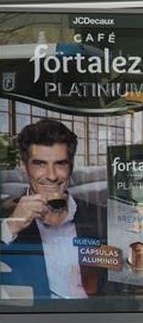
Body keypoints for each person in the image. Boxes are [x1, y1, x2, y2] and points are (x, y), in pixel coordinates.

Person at [0, 119, 106, 300]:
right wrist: (10, 227)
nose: (52, 176)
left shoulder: (100, 217)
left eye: (60, 163)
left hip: (94, 320)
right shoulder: (6, 219)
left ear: (71, 166)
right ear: (24, 167)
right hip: (32, 322)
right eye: (40, 164)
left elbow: (122, 281)